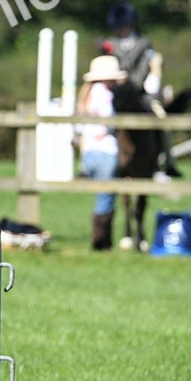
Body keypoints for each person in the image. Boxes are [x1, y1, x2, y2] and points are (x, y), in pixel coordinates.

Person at [102, 2, 178, 178]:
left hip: (140, 92)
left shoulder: (144, 43)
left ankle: (167, 162)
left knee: (162, 119)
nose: (121, 28)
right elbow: (108, 65)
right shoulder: (110, 44)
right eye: (119, 26)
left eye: (124, 25)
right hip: (117, 93)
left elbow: (145, 67)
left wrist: (132, 85)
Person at [75, 55, 125, 250]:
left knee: (102, 195)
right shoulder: (105, 93)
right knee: (106, 197)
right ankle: (101, 241)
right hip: (106, 150)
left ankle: (103, 241)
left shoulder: (86, 95)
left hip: (89, 151)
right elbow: (109, 120)